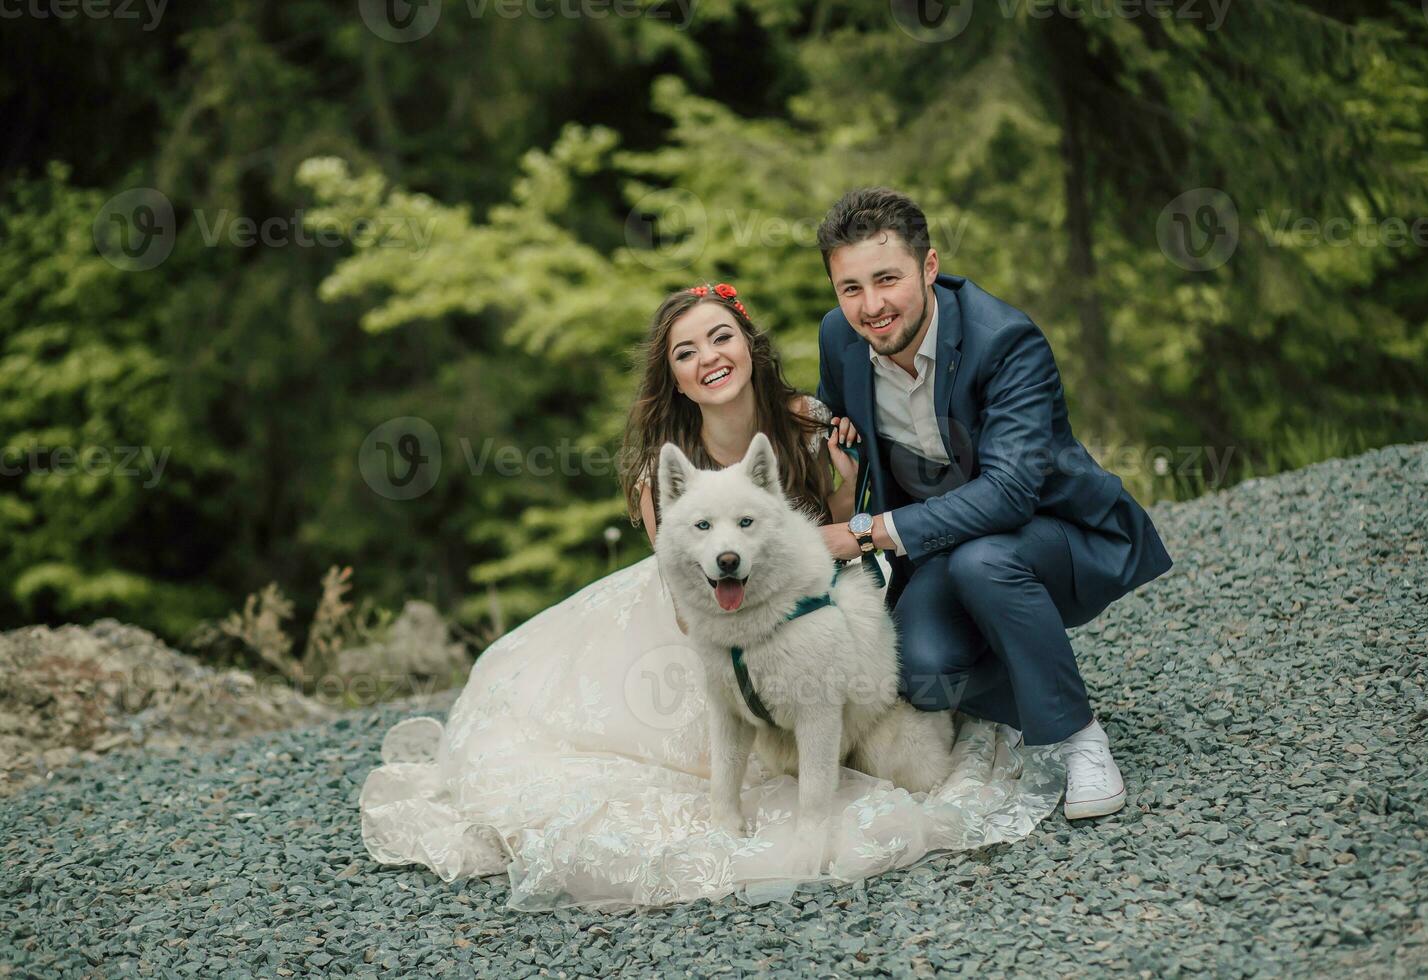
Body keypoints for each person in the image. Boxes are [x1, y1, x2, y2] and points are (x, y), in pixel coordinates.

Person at [358, 280, 1064, 912]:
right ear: (677, 379)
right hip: (700, 621)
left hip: (795, 604)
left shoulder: (815, 425)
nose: (709, 358)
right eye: (686, 353)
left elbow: (843, 541)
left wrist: (843, 485)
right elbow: (684, 592)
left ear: (749, 346)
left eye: (720, 337)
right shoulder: (660, 473)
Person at [811, 187, 1174, 820]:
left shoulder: (1004, 340)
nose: (871, 307)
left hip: (1051, 534)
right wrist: (816, 418)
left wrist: (863, 533)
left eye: (887, 279)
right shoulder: (839, 341)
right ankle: (1032, 692)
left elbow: (1010, 493)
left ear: (928, 268)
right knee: (920, 674)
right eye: (850, 289)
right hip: (942, 549)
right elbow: (836, 415)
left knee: (986, 563)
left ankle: (1079, 738)